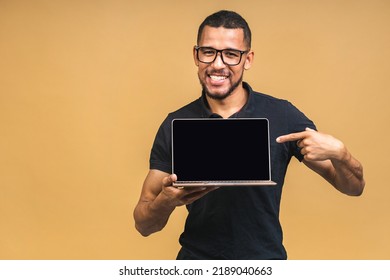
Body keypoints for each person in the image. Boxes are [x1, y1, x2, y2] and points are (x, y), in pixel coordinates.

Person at [133, 10, 365, 260]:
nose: (218, 64)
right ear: (196, 55)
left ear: (248, 59)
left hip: (265, 265)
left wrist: (342, 155)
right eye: (208, 52)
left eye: (231, 54)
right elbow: (144, 225)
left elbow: (353, 187)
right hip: (196, 264)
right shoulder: (176, 123)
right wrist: (167, 200)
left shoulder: (282, 115)